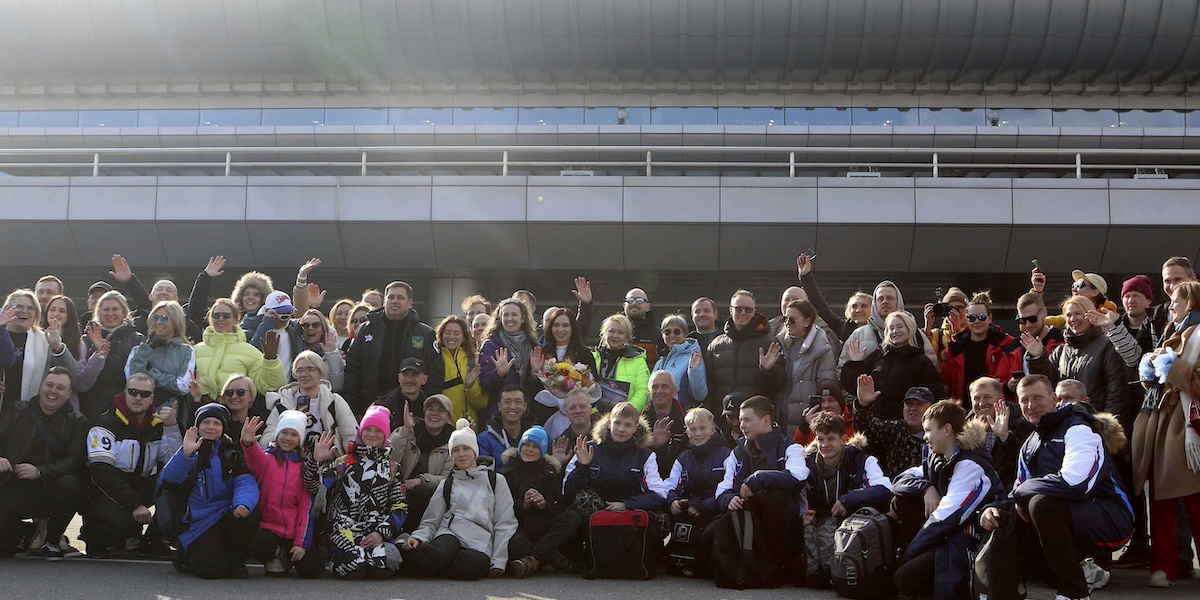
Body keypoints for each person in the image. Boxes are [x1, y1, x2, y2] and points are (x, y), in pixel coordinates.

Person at [978, 375, 1133, 600]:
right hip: (1069, 516)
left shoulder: (1079, 427)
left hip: (1111, 517)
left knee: (1040, 504)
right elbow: (1017, 490)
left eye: (1038, 398)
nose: (1031, 405)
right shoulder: (1030, 443)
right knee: (1004, 514)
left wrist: (1023, 493)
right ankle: (997, 591)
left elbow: (1075, 483)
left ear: (1053, 399)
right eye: (1024, 400)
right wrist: (993, 508)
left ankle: (1074, 592)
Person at [891, 401, 1002, 600]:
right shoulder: (939, 458)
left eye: (928, 430)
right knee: (900, 500)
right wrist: (926, 488)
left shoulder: (971, 465)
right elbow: (898, 482)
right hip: (948, 536)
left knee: (904, 578)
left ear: (947, 430)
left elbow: (947, 518)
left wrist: (909, 555)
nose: (924, 437)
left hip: (969, 544)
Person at [1131, 280, 1200, 587]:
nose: (1171, 305)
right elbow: (1161, 382)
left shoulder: (1196, 334)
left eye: (1177, 299)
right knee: (1160, 498)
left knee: (1195, 500)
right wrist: (1150, 370)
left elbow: (1193, 382)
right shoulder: (1172, 333)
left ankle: (1167, 566)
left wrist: (1171, 367)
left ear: (1193, 302)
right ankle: (1163, 566)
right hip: (1163, 424)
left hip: (1187, 427)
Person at [403, 418, 518, 580]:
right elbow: (431, 520)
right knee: (436, 555)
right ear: (451, 455)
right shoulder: (447, 484)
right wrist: (418, 537)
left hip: (480, 539)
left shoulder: (496, 480)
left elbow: (505, 522)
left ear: (475, 451)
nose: (462, 454)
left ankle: (430, 567)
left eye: (466, 448)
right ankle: (411, 551)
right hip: (450, 533)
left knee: (471, 567)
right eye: (456, 450)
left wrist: (499, 560)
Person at [82, 373, 180, 558]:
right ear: (125, 392)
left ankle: (153, 539)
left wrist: (172, 428)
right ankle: (93, 535)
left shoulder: (157, 425)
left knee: (176, 480)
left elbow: (176, 462)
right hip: (105, 490)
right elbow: (101, 471)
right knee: (126, 524)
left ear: (152, 398)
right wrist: (135, 505)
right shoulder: (104, 423)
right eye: (133, 392)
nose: (138, 398)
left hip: (138, 485)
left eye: (144, 394)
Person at [159, 403, 260, 579]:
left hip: (223, 514)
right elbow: (169, 481)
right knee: (213, 571)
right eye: (206, 422)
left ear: (223, 427)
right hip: (197, 522)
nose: (211, 427)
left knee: (251, 515)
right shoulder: (189, 449)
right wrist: (185, 455)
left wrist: (243, 503)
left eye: (216, 423)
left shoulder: (231, 452)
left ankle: (236, 557)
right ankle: (184, 554)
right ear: (198, 426)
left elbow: (245, 481)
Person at [714, 395, 808, 581]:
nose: (741, 425)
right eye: (740, 420)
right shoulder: (737, 452)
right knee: (711, 533)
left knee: (776, 497)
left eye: (747, 420)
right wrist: (728, 499)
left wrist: (758, 479)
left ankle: (776, 567)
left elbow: (798, 478)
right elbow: (723, 488)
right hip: (748, 515)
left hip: (786, 522)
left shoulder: (791, 447)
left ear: (766, 420)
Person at [0, 367, 87, 561]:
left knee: (71, 483)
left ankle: (52, 540)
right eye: (49, 384)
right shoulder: (16, 409)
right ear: (41, 386)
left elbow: (75, 460)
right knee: (4, 551)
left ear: (69, 394)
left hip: (49, 488)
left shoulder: (77, 421)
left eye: (60, 387)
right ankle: (27, 533)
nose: (53, 391)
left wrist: (40, 471)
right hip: (11, 486)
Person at [802, 411, 893, 587]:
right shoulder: (807, 463)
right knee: (813, 575)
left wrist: (849, 500)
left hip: (850, 523)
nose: (824, 445)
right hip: (816, 521)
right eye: (820, 439)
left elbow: (886, 491)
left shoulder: (863, 460)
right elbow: (796, 493)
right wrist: (802, 514)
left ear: (843, 439)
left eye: (830, 439)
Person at [322, 405, 406, 579]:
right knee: (355, 568)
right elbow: (318, 487)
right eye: (368, 429)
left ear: (385, 435)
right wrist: (317, 461)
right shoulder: (343, 462)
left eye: (378, 431)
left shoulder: (393, 468)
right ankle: (337, 555)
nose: (372, 435)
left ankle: (376, 550)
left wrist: (381, 533)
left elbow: (400, 507)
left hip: (376, 530)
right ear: (361, 432)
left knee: (381, 569)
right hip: (344, 528)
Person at [239, 412, 325, 578]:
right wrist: (248, 442)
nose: (288, 438)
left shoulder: (304, 467)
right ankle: (276, 555)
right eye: (284, 433)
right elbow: (252, 455)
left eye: (294, 434)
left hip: (294, 530)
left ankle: (288, 555)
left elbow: (305, 508)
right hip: (268, 527)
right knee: (260, 545)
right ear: (277, 434)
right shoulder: (266, 459)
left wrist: (301, 543)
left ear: (299, 439)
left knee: (312, 570)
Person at [563, 401, 669, 532]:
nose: (621, 429)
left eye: (628, 425)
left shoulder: (646, 456)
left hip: (629, 511)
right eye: (617, 423)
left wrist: (627, 504)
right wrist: (582, 466)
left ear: (636, 428)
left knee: (662, 520)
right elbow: (566, 491)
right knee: (581, 501)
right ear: (609, 423)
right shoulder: (588, 449)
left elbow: (660, 494)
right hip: (595, 512)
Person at [344, 281, 443, 417]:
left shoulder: (425, 333)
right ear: (385, 301)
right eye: (391, 297)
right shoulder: (365, 330)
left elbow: (435, 374)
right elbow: (353, 370)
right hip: (370, 408)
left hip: (412, 412)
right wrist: (353, 408)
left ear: (410, 303)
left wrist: (425, 407)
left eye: (400, 298)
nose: (395, 301)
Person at [1024, 296, 1128, 418]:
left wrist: (1106, 426)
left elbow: (1117, 393)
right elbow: (1046, 384)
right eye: (1068, 315)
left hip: (1094, 424)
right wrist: (1038, 357)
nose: (1073, 319)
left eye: (1078, 314)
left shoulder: (1107, 346)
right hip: (1065, 423)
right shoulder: (1061, 351)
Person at [501, 425, 580, 577]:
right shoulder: (507, 471)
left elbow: (558, 505)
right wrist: (523, 504)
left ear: (543, 451)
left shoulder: (550, 472)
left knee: (572, 517)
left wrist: (544, 505)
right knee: (514, 544)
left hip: (543, 525)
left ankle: (533, 560)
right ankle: (550, 555)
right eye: (526, 445)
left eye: (535, 446)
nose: (529, 449)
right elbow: (501, 506)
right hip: (518, 526)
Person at [841, 311, 945, 422]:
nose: (895, 331)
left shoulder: (921, 361)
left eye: (900, 327)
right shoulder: (877, 357)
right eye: (891, 328)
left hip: (907, 428)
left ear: (909, 329)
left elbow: (936, 396)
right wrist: (855, 364)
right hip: (875, 425)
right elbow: (852, 387)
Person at [705, 290, 784, 417]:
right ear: (730, 310)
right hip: (722, 419)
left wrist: (768, 370)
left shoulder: (769, 343)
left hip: (755, 419)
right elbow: (709, 386)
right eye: (738, 308)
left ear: (753, 312)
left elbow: (780, 384)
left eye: (747, 309)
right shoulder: (716, 346)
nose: (743, 313)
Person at [263, 351, 358, 455]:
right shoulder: (283, 403)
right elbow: (264, 443)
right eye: (299, 370)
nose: (304, 374)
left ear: (321, 374)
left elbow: (351, 437)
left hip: (327, 465)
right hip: (290, 465)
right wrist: (289, 421)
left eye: (310, 369)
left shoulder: (335, 402)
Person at [938, 291, 1022, 409]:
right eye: (972, 318)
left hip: (998, 410)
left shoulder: (1006, 345)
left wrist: (1006, 387)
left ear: (990, 318)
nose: (977, 321)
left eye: (982, 317)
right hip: (964, 411)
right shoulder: (955, 348)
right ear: (967, 320)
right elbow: (946, 385)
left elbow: (1011, 378)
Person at [1, 289, 77, 417]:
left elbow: (71, 374)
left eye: (31, 308)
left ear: (36, 314)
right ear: (7, 309)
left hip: (29, 415)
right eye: (19, 306)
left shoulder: (44, 339)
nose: (24, 311)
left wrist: (57, 347)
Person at [836, 280, 938, 374]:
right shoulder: (858, 335)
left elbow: (932, 368)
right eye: (880, 298)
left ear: (898, 301)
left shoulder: (915, 333)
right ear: (875, 303)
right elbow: (842, 370)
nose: (885, 301)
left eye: (889, 298)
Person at [194, 298, 285, 401]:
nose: (220, 318)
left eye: (226, 316)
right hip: (200, 409)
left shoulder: (249, 351)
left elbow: (268, 386)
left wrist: (271, 361)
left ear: (236, 319)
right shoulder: (196, 350)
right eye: (216, 315)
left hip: (235, 409)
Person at [389, 394, 456, 531]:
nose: (434, 414)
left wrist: (421, 480)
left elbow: (447, 479)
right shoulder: (410, 432)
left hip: (431, 498)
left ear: (448, 417)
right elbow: (390, 460)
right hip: (399, 491)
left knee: (421, 491)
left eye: (441, 410)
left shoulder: (453, 442)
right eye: (430, 409)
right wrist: (405, 430)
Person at [663, 407, 731, 539]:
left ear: (712, 430)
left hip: (717, 513)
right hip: (688, 512)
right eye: (693, 429)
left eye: (703, 428)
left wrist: (704, 507)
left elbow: (731, 488)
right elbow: (670, 485)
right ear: (687, 432)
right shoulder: (683, 459)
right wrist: (673, 501)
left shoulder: (727, 455)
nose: (698, 433)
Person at [77, 291, 145, 420]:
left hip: (126, 409)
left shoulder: (137, 339)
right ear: (98, 313)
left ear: (124, 312)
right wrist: (99, 354)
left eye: (115, 309)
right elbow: (81, 382)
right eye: (106, 309)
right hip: (92, 408)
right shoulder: (86, 340)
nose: (110, 313)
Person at [776, 299, 837, 437]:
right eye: (785, 318)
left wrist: (816, 416)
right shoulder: (779, 344)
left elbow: (826, 385)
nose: (787, 323)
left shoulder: (822, 348)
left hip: (808, 419)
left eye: (792, 319)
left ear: (807, 321)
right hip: (782, 417)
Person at [531, 307, 600, 423]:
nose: (560, 329)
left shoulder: (583, 353)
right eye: (556, 325)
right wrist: (534, 373)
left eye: (565, 325)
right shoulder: (541, 352)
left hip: (576, 414)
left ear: (572, 328)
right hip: (545, 414)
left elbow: (594, 382)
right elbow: (529, 388)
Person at [852, 383, 935, 477]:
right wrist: (863, 405)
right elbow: (865, 430)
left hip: (927, 489)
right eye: (909, 404)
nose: (913, 408)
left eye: (919, 404)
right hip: (893, 488)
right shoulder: (894, 429)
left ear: (931, 409)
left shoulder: (938, 436)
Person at [479, 298, 540, 425]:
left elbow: (537, 390)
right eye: (505, 315)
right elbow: (485, 384)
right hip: (498, 416)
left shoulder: (533, 345)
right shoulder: (490, 345)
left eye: (514, 314)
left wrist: (534, 375)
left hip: (527, 415)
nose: (509, 319)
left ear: (523, 318)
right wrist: (498, 374)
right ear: (500, 318)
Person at [124, 300, 195, 410]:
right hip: (141, 415)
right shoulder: (139, 350)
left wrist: (150, 374)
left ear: (176, 321)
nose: (158, 322)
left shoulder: (187, 351)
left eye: (165, 318)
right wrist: (147, 349)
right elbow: (131, 380)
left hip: (171, 414)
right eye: (155, 318)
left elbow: (182, 386)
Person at [966, 377, 1035, 486]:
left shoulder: (1020, 421)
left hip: (1009, 489)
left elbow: (1028, 462)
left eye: (987, 397)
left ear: (1001, 399)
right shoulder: (965, 425)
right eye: (976, 398)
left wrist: (1005, 436)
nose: (981, 403)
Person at [796, 254, 868, 342]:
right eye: (854, 306)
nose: (858, 310)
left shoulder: (883, 330)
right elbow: (820, 306)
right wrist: (805, 275)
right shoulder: (842, 328)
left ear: (873, 310)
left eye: (864, 306)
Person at [434, 315, 487, 425]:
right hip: (440, 428)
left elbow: (481, 403)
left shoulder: (473, 361)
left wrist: (469, 386)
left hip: (469, 428)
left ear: (464, 337)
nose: (451, 337)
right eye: (447, 333)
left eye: (456, 333)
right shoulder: (434, 359)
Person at [592, 314, 650, 410]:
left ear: (628, 337)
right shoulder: (593, 358)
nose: (615, 336)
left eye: (621, 332)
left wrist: (624, 413)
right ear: (604, 333)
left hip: (625, 419)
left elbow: (642, 392)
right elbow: (584, 388)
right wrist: (593, 412)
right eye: (611, 331)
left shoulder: (638, 361)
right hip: (594, 418)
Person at [654, 314, 708, 410]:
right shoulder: (660, 362)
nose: (672, 335)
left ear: (685, 334)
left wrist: (695, 370)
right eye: (667, 332)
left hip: (680, 414)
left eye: (677, 332)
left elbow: (700, 395)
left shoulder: (693, 357)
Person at [644, 370, 688, 477]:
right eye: (654, 387)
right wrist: (653, 445)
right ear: (649, 392)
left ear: (674, 391)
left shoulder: (688, 421)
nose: (659, 391)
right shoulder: (638, 425)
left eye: (664, 386)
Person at [478, 385, 536, 466]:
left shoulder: (536, 436)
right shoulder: (485, 439)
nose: (512, 407)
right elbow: (484, 472)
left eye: (518, 402)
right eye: (507, 402)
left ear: (525, 406)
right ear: (499, 406)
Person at [294, 309, 345, 391]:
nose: (310, 328)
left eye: (316, 325)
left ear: (323, 330)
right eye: (306, 325)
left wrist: (331, 354)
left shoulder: (334, 353)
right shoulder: (294, 351)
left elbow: (338, 386)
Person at [375, 357, 430, 432]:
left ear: (424, 380)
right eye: (405, 374)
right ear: (399, 378)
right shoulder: (382, 406)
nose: (409, 380)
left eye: (414, 375)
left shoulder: (430, 406)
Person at [793, 381, 853, 446]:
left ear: (841, 404)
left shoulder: (853, 424)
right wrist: (804, 426)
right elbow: (796, 449)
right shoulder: (811, 425)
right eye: (822, 401)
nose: (826, 405)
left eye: (831, 400)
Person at [548, 388, 599, 460]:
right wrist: (557, 464)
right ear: (566, 412)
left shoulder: (604, 438)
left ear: (590, 409)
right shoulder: (558, 445)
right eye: (572, 408)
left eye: (582, 406)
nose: (578, 411)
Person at [922, 287, 969, 364]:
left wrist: (958, 333)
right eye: (950, 308)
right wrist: (927, 329)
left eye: (959, 308)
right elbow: (926, 358)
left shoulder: (974, 333)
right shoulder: (936, 335)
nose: (954, 312)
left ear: (967, 310)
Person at [622, 288, 666, 368]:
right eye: (630, 300)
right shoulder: (613, 332)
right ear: (624, 305)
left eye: (639, 300)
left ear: (648, 307)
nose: (634, 303)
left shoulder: (658, 334)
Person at [230, 270, 275, 337]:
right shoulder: (232, 321)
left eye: (256, 295)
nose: (250, 297)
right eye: (246, 294)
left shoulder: (271, 322)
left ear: (263, 299)